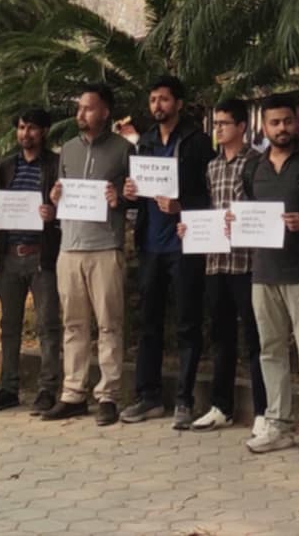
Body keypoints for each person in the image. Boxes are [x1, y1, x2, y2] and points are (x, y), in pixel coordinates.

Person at [121, 74, 215, 427]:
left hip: (184, 243)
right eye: (152, 100)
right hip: (150, 244)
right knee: (149, 323)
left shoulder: (196, 142)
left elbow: (210, 192)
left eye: (163, 99)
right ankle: (148, 397)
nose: (157, 105)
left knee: (188, 323)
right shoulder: (144, 143)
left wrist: (182, 206)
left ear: (178, 103)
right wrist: (129, 193)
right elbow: (137, 193)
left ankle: (184, 400)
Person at [41, 84, 132, 425]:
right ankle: (73, 393)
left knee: (109, 324)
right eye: (79, 107)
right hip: (70, 247)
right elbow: (60, 195)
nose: (81, 114)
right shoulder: (67, 149)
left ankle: (108, 395)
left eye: (88, 108)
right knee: (73, 324)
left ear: (105, 112)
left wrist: (119, 199)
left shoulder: (124, 149)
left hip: (105, 247)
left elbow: (134, 197)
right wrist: (55, 197)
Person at [246, 94, 299, 458]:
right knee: (270, 349)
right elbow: (248, 210)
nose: (282, 128)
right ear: (264, 127)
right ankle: (278, 424)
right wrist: (237, 223)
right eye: (275, 123)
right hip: (264, 272)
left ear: (297, 123)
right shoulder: (253, 166)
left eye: (287, 121)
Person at [186, 98, 266, 432]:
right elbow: (210, 209)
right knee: (221, 336)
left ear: (242, 126)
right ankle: (221, 406)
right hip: (216, 262)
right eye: (215, 123)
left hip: (248, 262)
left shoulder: (257, 163)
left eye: (224, 123)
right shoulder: (212, 166)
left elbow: (264, 210)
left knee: (256, 339)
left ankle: (263, 411)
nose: (217, 129)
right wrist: (191, 229)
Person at [0, 108, 62, 414]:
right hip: (9, 255)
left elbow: (66, 205)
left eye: (31, 128)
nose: (25, 134)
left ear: (44, 131)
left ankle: (47, 389)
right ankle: (8, 388)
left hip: (42, 255)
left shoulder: (55, 165)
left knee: (47, 325)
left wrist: (54, 213)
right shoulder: (6, 166)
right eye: (20, 127)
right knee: (9, 325)